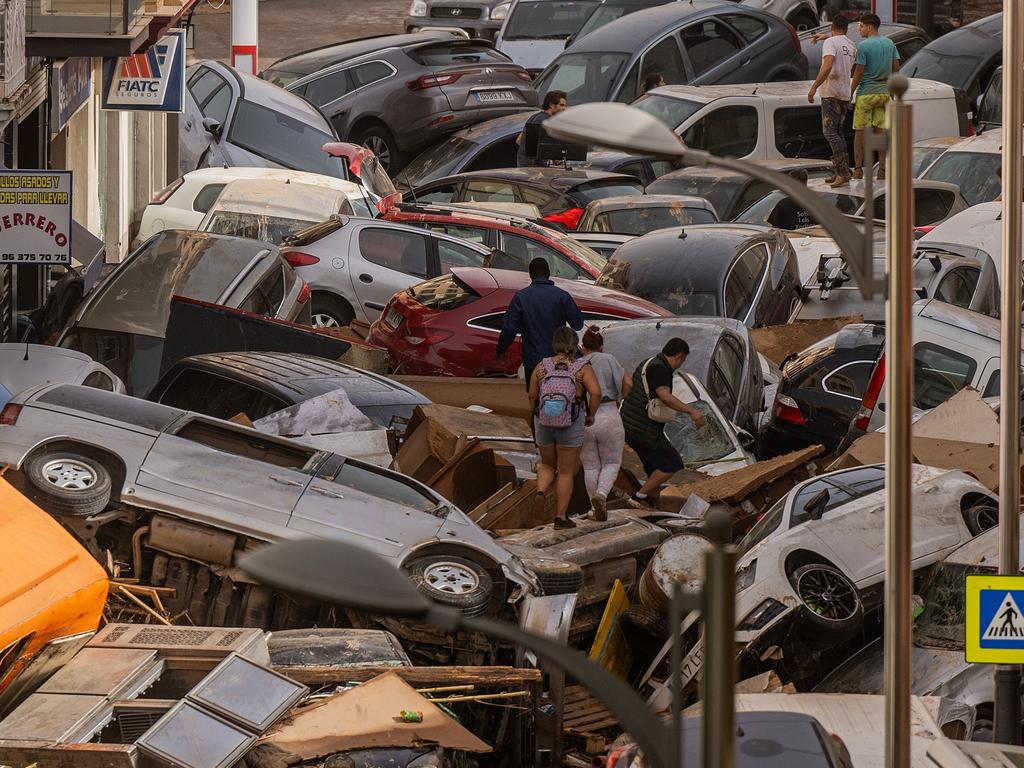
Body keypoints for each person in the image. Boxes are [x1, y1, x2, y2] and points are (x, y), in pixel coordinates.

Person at [529, 327, 601, 529]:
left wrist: (537, 415)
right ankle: (560, 517)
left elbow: (532, 396)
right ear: (574, 344)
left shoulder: (542, 366)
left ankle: (541, 491)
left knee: (547, 464)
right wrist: (591, 415)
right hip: (570, 422)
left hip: (544, 422)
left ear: (555, 344)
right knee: (566, 471)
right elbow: (595, 393)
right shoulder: (581, 367)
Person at [619, 338, 705, 507]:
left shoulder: (649, 362)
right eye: (683, 360)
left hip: (629, 426)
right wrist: (692, 411)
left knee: (653, 469)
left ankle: (652, 502)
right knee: (672, 463)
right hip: (643, 429)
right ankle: (639, 497)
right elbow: (665, 396)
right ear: (679, 356)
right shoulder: (660, 369)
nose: (681, 364)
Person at [496, 257, 584, 387]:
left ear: (530, 275)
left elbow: (509, 328)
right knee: (559, 395)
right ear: (548, 273)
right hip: (559, 359)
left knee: (535, 397)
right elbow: (578, 324)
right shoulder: (562, 296)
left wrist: (501, 349)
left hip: (533, 360)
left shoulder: (521, 297)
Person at [580, 325, 632, 521]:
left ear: (583, 346)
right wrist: (620, 398)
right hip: (609, 412)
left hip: (586, 417)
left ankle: (593, 508)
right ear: (602, 346)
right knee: (611, 462)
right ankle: (601, 495)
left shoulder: (579, 363)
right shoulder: (610, 359)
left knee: (591, 466)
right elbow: (628, 383)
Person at [807, 15, 856, 187]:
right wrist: (826, 37)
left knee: (830, 133)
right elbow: (839, 43)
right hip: (844, 93)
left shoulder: (831, 43)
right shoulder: (850, 44)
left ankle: (842, 173)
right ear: (847, 29)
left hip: (831, 92)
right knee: (838, 133)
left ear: (831, 27)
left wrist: (814, 87)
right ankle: (843, 171)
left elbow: (827, 65)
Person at [849, 14, 900, 179]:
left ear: (869, 27)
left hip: (866, 94)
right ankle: (882, 170)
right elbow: (896, 69)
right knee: (880, 131)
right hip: (884, 94)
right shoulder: (889, 43)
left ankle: (857, 169)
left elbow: (859, 71)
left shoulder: (863, 46)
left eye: (861, 26)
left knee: (860, 132)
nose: (860, 29)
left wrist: (850, 92)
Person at [516, 90, 568, 168]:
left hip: (524, 166)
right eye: (561, 105)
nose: (564, 108)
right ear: (552, 105)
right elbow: (548, 150)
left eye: (565, 105)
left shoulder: (534, 117)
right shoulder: (546, 122)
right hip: (534, 170)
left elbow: (519, 140)